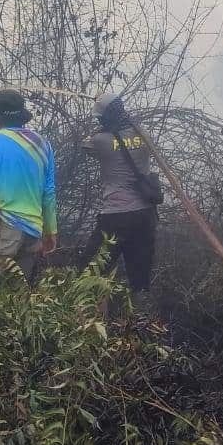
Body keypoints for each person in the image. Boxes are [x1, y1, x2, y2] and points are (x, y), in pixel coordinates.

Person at [0, 90, 58, 291]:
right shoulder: (43, 144)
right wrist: (50, 232)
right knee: (16, 295)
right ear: (22, 116)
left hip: (0, 224)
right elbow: (49, 193)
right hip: (34, 230)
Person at [79, 93, 158, 305]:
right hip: (145, 216)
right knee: (140, 283)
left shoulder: (99, 141)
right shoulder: (143, 134)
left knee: (88, 274)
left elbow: (85, 145)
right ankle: (143, 327)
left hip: (115, 217)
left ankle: (84, 322)